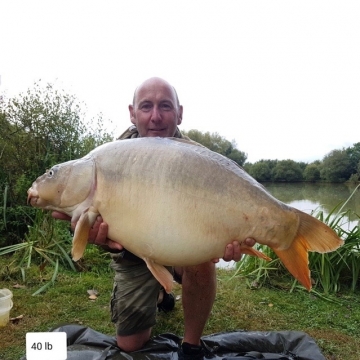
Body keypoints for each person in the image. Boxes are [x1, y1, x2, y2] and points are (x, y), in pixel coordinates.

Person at [53, 77, 255, 359]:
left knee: (201, 261)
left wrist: (232, 241)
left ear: (180, 112)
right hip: (135, 251)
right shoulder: (110, 156)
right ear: (132, 113)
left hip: (183, 245)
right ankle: (162, 293)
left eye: (165, 106)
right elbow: (104, 228)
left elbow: (223, 216)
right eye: (146, 107)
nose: (156, 116)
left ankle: (191, 345)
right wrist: (102, 239)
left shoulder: (199, 160)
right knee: (130, 345)